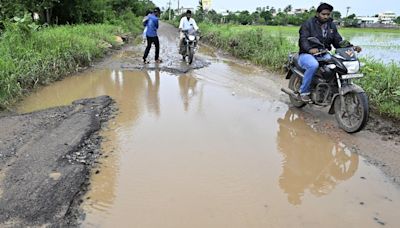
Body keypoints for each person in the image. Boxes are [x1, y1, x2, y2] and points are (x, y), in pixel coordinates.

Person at [297, 3, 361, 102]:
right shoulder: (308, 24)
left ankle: (330, 88)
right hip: (307, 54)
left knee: (337, 65)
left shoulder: (331, 25)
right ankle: (304, 92)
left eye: (328, 14)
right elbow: (303, 40)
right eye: (323, 14)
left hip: (323, 53)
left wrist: (351, 47)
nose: (326, 16)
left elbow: (338, 41)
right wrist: (310, 49)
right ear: (318, 13)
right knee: (313, 65)